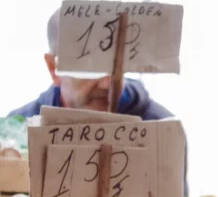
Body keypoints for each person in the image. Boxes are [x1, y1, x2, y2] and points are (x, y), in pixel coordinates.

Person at [9, 9, 175, 120]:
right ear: (54, 68)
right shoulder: (14, 136)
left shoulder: (163, 130)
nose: (107, 83)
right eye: (90, 67)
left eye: (117, 65)